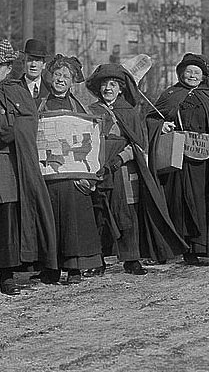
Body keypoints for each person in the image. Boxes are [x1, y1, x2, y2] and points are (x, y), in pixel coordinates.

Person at [0, 39, 57, 297]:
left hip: (7, 169)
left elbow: (30, 121)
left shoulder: (18, 92)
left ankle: (7, 277)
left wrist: (15, 131)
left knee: (6, 225)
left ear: (8, 67)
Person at [86, 63, 186, 275]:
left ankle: (131, 260)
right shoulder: (91, 111)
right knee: (100, 213)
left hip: (123, 170)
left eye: (112, 84)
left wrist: (120, 159)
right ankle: (98, 261)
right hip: (99, 169)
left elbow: (139, 145)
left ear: (120, 88)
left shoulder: (129, 112)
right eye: (104, 85)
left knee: (127, 215)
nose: (108, 89)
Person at [147, 53, 209, 264]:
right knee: (178, 201)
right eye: (188, 72)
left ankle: (201, 247)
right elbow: (151, 118)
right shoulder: (171, 94)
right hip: (177, 158)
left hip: (203, 161)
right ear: (181, 73)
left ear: (203, 76)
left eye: (196, 72)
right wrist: (161, 126)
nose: (192, 76)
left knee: (200, 200)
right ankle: (179, 246)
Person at [36, 54, 102, 284]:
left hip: (73, 177)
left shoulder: (80, 107)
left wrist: (88, 173)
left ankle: (74, 268)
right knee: (49, 221)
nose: (61, 79)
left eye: (66, 76)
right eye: (57, 75)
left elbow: (90, 138)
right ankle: (51, 268)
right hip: (48, 177)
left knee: (74, 222)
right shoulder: (40, 105)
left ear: (72, 81)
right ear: (50, 77)